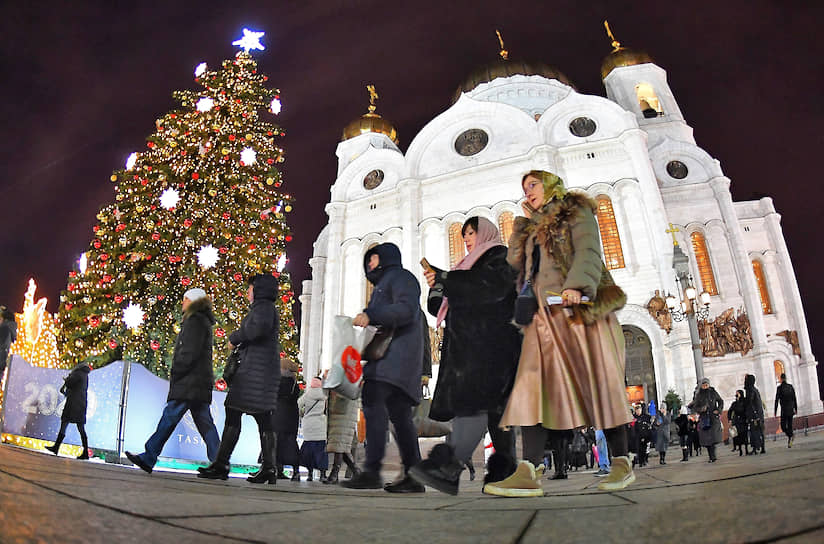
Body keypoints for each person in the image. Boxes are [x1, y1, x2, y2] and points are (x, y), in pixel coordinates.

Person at [484, 170, 634, 497]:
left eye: (533, 184)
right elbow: (515, 267)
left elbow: (588, 250)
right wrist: (521, 230)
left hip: (577, 310)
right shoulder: (530, 227)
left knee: (599, 382)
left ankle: (621, 461)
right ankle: (529, 470)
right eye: (524, 188)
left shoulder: (574, 211)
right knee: (531, 387)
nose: (528, 191)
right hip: (541, 317)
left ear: (550, 185)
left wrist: (578, 286)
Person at [408, 216, 521, 495]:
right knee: (487, 410)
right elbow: (441, 304)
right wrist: (437, 288)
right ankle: (500, 470)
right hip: (468, 348)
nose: (468, 238)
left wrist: (447, 278)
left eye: (472, 232)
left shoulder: (498, 256)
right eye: (465, 234)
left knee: (482, 407)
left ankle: (451, 468)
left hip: (492, 347)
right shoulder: (465, 267)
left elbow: (490, 287)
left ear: (485, 233)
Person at [341, 242, 424, 493]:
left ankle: (371, 471)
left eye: (373, 258)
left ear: (386, 257)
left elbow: (406, 310)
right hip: (397, 359)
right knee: (400, 416)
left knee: (373, 401)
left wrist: (371, 314)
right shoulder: (383, 284)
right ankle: (414, 476)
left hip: (394, 358)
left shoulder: (399, 277)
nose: (370, 264)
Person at [125, 288, 220, 473]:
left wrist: (178, 369)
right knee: (203, 421)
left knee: (170, 417)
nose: (182, 303)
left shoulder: (195, 321)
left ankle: (149, 455)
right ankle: (219, 461)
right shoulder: (201, 321)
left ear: (193, 301)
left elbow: (189, 351)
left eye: (185, 299)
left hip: (190, 380)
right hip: (197, 381)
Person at [198, 275, 281, 483]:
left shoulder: (263, 308)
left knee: (236, 412)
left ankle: (222, 464)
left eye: (250, 288)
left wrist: (235, 338)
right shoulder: (265, 308)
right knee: (261, 418)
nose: (248, 292)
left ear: (259, 290)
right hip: (259, 373)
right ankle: (268, 467)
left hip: (255, 373)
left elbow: (256, 329)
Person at [45, 361, 91, 459]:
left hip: (73, 403)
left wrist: (67, 380)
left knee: (65, 422)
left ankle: (56, 447)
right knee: (80, 427)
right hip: (80, 403)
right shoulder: (84, 374)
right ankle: (85, 451)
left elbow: (70, 383)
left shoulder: (78, 373)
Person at [323, 380, 361, 484]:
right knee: (341, 445)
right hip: (339, 411)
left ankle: (334, 474)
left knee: (339, 444)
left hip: (343, 412)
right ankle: (356, 472)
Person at [274, 358, 301, 480]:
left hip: (279, 414)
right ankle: (295, 471)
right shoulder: (293, 382)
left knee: (276, 442)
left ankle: (277, 469)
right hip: (291, 416)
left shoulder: (279, 380)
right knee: (290, 443)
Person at [297, 376, 328, 482]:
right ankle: (323, 474)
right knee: (321, 451)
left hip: (309, 425)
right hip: (320, 425)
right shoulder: (324, 396)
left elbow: (298, 404)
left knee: (308, 451)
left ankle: (310, 474)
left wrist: (302, 413)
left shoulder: (307, 395)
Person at [688, 378, 724, 462]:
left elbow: (720, 401)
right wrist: (701, 409)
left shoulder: (713, 392)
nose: (705, 386)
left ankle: (713, 455)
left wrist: (718, 410)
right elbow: (695, 406)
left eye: (706, 385)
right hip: (704, 419)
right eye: (703, 385)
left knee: (714, 438)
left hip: (713, 417)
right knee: (707, 439)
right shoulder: (699, 395)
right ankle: (711, 456)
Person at [775, 373, 798, 448]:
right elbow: (794, 398)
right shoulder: (790, 387)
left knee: (783, 426)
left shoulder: (779, 388)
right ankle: (790, 439)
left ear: (780, 379)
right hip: (791, 409)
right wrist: (796, 408)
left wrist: (775, 411)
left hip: (784, 410)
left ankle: (790, 437)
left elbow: (776, 400)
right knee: (790, 425)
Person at [744, 374, 766, 455]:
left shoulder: (750, 390)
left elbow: (750, 402)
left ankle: (755, 448)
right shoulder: (755, 389)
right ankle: (762, 447)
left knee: (754, 432)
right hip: (759, 414)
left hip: (754, 415)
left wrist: (754, 415)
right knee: (760, 430)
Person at [728, 390, 749, 456]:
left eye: (738, 394)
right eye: (736, 394)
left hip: (743, 420)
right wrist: (730, 419)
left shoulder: (745, 402)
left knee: (744, 435)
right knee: (738, 436)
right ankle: (740, 450)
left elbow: (747, 410)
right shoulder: (734, 403)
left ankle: (746, 449)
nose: (736, 395)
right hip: (737, 421)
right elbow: (730, 411)